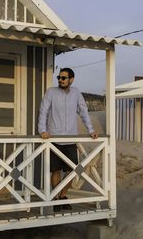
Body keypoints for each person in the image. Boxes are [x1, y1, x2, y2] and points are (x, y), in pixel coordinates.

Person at [38, 67, 98, 211]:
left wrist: (91, 130)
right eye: (59, 77)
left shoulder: (76, 93)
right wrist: (42, 130)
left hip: (71, 139)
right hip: (54, 139)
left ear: (71, 79)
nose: (60, 80)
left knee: (73, 170)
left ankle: (63, 196)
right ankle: (55, 198)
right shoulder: (51, 92)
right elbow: (43, 112)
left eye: (63, 78)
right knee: (56, 171)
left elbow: (83, 111)